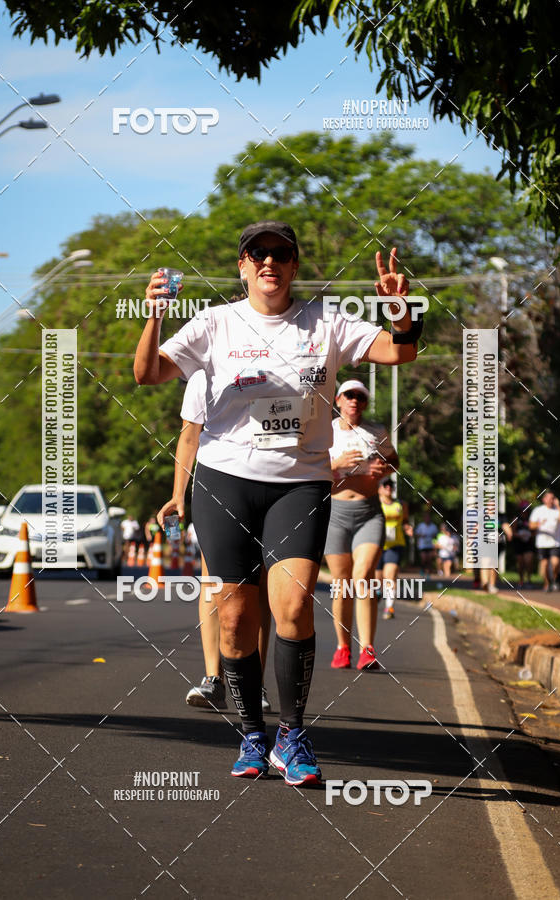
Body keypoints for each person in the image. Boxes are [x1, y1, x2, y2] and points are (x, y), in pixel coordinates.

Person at [134, 220, 419, 785]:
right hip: (224, 482)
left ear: (294, 266)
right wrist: (154, 315)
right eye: (256, 253)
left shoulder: (326, 322)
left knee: (290, 608)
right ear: (242, 266)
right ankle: (250, 735)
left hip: (299, 483)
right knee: (236, 615)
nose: (269, 262)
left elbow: (400, 353)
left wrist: (400, 309)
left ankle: (292, 733)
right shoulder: (215, 324)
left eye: (281, 254)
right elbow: (146, 374)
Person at [157, 370, 272, 712]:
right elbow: (189, 436)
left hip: (270, 483)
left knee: (261, 586)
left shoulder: (276, 364)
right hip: (218, 486)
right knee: (213, 582)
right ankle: (214, 679)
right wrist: (178, 495)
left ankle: (256, 683)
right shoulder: (203, 377)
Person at [324, 380, 397, 670]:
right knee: (341, 585)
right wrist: (337, 463)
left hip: (369, 512)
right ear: (338, 400)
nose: (355, 401)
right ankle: (343, 647)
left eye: (360, 397)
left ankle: (367, 648)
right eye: (349, 396)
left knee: (363, 576)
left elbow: (394, 461)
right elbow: (307, 469)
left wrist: (382, 470)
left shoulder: (376, 431)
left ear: (365, 403)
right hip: (335, 513)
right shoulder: (324, 432)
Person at [376, 478, 413, 618]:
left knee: (390, 575)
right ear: (379, 488)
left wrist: (408, 528)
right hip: (377, 545)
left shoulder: (401, 504)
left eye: (391, 486)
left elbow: (405, 521)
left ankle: (389, 608)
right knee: (377, 580)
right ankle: (379, 593)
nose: (388, 488)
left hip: (395, 544)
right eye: (385, 485)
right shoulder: (375, 503)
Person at [529, 491, 560, 591]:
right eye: (549, 498)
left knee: (556, 563)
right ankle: (547, 583)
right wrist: (539, 524)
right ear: (544, 499)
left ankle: (553, 580)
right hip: (542, 542)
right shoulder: (538, 510)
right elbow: (531, 525)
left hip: (555, 542)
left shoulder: (559, 510)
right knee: (544, 564)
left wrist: (558, 506)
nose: (551, 500)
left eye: (553, 498)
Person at [507, 502, 535, 588]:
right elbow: (512, 532)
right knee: (520, 563)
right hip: (518, 543)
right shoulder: (516, 519)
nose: (525, 511)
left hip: (528, 543)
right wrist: (520, 535)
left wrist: (529, 535)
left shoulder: (531, 519)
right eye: (523, 509)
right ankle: (521, 580)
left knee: (529, 561)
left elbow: (535, 531)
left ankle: (529, 580)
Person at [414, 510, 438, 575]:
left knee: (429, 558)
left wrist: (433, 536)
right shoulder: (420, 526)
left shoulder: (433, 526)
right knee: (424, 558)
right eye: (426, 517)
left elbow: (436, 535)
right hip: (422, 545)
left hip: (430, 545)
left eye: (428, 518)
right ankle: (422, 569)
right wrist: (421, 535)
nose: (427, 519)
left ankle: (429, 571)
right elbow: (416, 534)